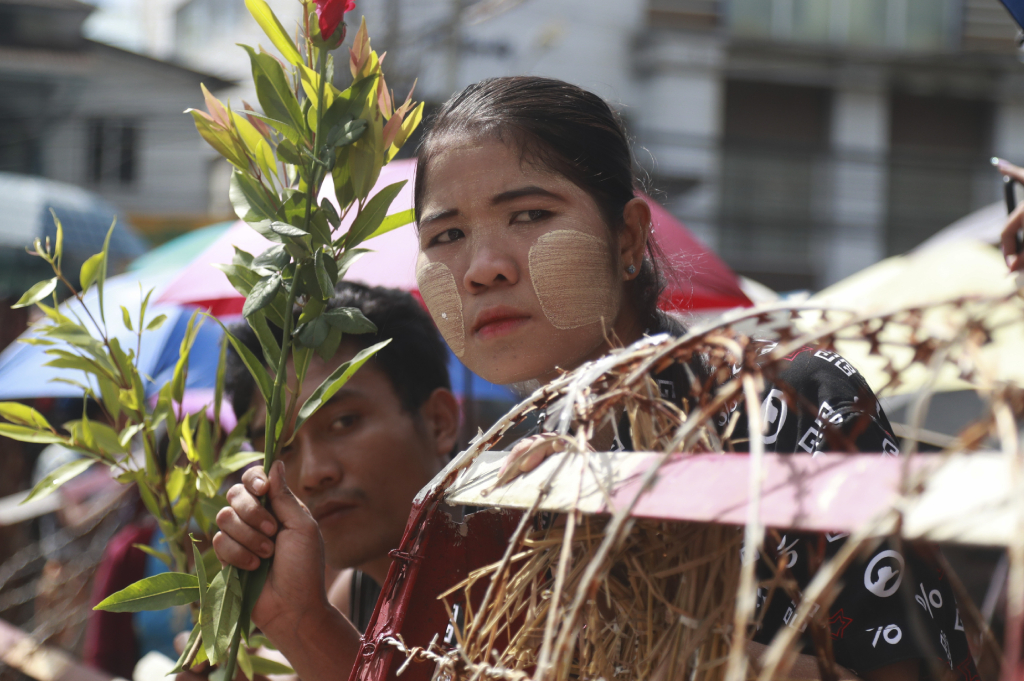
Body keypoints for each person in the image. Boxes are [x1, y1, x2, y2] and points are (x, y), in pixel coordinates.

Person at [214, 77, 976, 681]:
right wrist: (299, 620)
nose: (483, 268)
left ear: (629, 239)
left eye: (530, 215)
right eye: (447, 235)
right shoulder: (490, 485)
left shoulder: (786, 407)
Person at [200, 282, 457, 681]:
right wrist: (293, 621)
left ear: (438, 421)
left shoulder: (519, 571)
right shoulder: (358, 595)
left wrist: (305, 624)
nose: (314, 473)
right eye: (283, 448)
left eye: (344, 422)